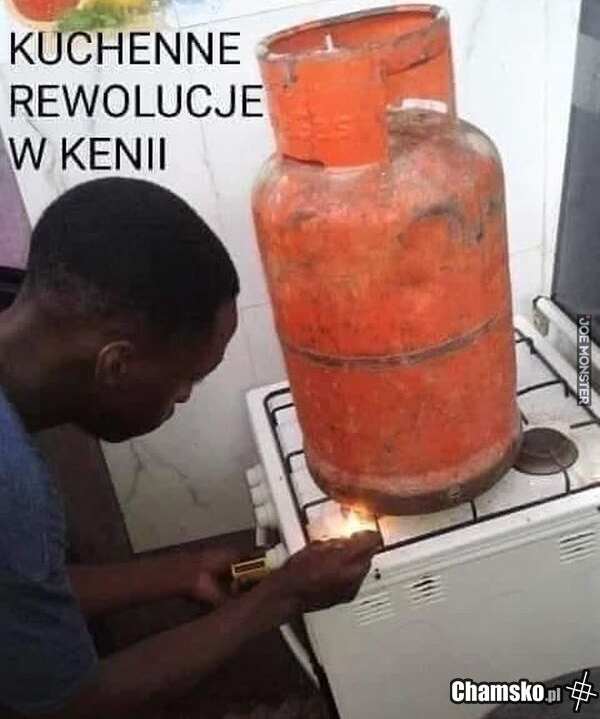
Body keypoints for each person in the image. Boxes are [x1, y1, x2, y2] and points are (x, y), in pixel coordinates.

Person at [0, 177, 380, 718]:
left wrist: (180, 571)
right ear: (116, 365)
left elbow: (21, 590)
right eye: (187, 380)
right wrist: (284, 597)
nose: (182, 397)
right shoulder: (12, 485)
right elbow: (72, 704)